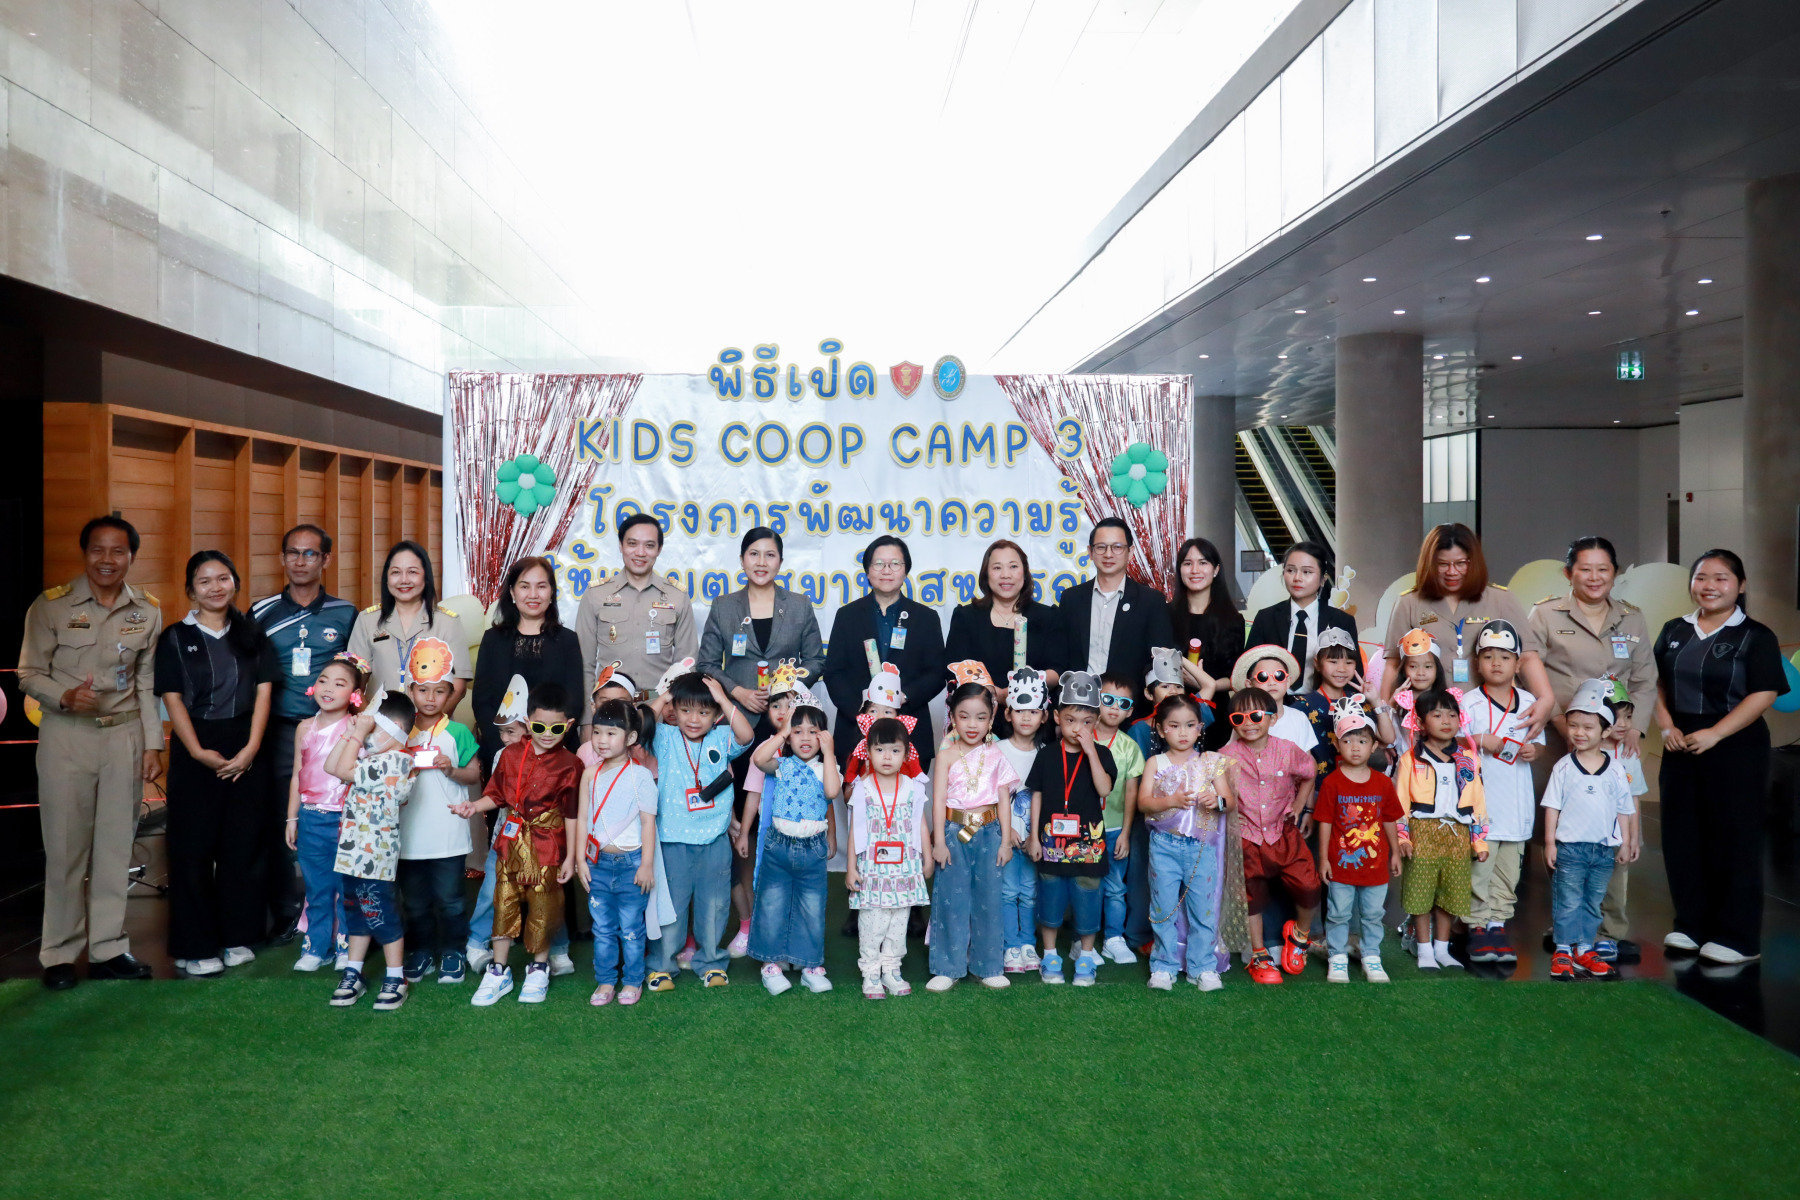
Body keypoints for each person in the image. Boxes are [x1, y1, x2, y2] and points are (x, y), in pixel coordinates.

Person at [17, 516, 163, 989]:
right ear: (85, 553)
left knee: (116, 847)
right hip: (67, 736)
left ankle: (108, 949)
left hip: (123, 736)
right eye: (98, 549)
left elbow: (146, 683)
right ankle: (59, 953)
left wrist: (153, 744)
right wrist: (63, 696)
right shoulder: (51, 606)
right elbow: (28, 673)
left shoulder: (147, 610)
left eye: (118, 551)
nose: (107, 559)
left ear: (131, 557)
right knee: (65, 850)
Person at [1652, 550, 1789, 966]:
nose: (1709, 586)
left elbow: (1764, 692)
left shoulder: (1756, 635)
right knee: (1681, 836)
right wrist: (1666, 727)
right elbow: (1654, 682)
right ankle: (1690, 925)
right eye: (1701, 577)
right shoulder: (1674, 629)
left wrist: (1716, 733)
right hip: (1680, 745)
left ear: (1740, 585)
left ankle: (1738, 937)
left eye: (1721, 578)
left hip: (1735, 747)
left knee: (1734, 839)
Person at [1528, 535, 1658, 964]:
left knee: (1614, 830)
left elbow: (1645, 678)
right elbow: (1531, 672)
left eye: (1603, 569)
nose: (1595, 577)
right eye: (1585, 569)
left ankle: (1609, 930)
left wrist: (1635, 728)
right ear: (1569, 573)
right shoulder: (1545, 614)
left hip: (1617, 743)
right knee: (1566, 834)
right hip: (1562, 739)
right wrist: (1564, 725)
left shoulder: (1632, 618)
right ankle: (1566, 928)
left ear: (1614, 573)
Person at [156, 550, 278, 977]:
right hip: (196, 748)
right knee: (191, 849)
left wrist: (251, 749)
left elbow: (264, 692)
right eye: (204, 581)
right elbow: (172, 698)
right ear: (191, 590)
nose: (215, 587)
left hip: (246, 744)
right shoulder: (175, 637)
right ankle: (195, 945)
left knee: (241, 846)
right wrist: (195, 751)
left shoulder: (253, 634)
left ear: (235, 584)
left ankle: (236, 936)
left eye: (223, 578)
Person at [251, 523, 357, 943]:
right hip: (281, 732)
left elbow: (359, 672)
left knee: (342, 818)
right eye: (293, 553)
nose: (300, 561)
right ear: (282, 558)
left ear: (325, 560)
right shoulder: (260, 612)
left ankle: (347, 914)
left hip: (337, 732)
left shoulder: (345, 613)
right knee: (284, 818)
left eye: (310, 553)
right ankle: (285, 911)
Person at [454, 683, 581, 1006]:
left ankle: (539, 967)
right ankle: (498, 970)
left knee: (544, 905)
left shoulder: (570, 764)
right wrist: (473, 807)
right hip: (510, 843)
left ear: (568, 725)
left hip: (549, 846)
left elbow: (572, 813)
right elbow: (496, 795)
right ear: (528, 721)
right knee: (504, 901)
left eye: (556, 728)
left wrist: (570, 857)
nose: (547, 734)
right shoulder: (510, 755)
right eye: (539, 727)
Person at [1382, 523, 1554, 736]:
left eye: (1461, 563)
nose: (1452, 572)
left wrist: (1546, 698)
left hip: (1488, 717)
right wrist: (1384, 721)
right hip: (1427, 719)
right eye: (1442, 564)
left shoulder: (1501, 599)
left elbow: (1526, 656)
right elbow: (1393, 664)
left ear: (1473, 562)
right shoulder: (1409, 602)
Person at [644, 671, 754, 991]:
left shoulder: (721, 737)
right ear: (674, 710)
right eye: (685, 710)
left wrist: (722, 697)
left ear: (716, 714)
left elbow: (746, 735)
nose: (694, 719)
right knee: (672, 908)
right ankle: (662, 965)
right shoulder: (664, 737)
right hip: (673, 840)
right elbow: (639, 726)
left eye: (704, 712)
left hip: (714, 839)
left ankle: (711, 961)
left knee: (715, 905)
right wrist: (666, 695)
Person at [323, 689, 419, 1010]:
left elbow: (342, 770)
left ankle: (395, 976)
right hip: (353, 857)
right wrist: (351, 733)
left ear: (394, 729)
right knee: (356, 913)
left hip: (374, 859)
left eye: (372, 728)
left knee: (381, 914)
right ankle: (354, 971)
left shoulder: (396, 762)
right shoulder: (373, 759)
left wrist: (357, 734)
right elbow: (330, 766)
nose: (366, 735)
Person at [927, 679, 1023, 992]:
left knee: (989, 901)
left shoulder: (995, 753)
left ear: (992, 718)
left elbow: (1003, 800)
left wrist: (1005, 841)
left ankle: (988, 965)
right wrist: (938, 842)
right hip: (955, 832)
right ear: (952, 716)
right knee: (951, 900)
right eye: (964, 716)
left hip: (989, 832)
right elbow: (938, 800)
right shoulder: (946, 754)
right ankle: (947, 967)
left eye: (981, 717)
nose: (972, 724)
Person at [1218, 688, 1319, 985]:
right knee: (1250, 897)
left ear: (1272, 719)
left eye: (1256, 716)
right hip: (1246, 836)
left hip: (1283, 832)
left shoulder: (1288, 749)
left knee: (1310, 885)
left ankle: (1299, 934)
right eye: (1239, 718)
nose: (1248, 723)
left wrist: (1299, 805)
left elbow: (1310, 771)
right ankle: (1259, 953)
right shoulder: (1225, 756)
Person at [1542, 679, 1639, 982]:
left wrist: (1624, 842)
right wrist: (1550, 843)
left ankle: (1585, 948)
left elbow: (1624, 809)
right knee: (1568, 900)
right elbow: (1552, 807)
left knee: (1593, 902)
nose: (1579, 733)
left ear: (1605, 731)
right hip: (1570, 848)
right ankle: (1563, 949)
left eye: (1588, 727)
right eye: (1573, 726)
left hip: (1602, 850)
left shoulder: (1616, 770)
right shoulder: (1563, 767)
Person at [1136, 693, 1234, 992]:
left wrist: (1216, 800)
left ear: (1200, 728)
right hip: (1164, 845)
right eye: (1174, 725)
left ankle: (1202, 966)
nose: (1183, 732)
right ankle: (1163, 966)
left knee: (1203, 910)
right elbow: (1143, 803)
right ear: (1160, 728)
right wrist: (1171, 801)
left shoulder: (1209, 762)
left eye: (1190, 725)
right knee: (1163, 907)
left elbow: (1229, 801)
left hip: (1201, 848)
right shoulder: (1155, 762)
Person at [1458, 621, 1544, 965]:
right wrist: (1480, 740)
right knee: (1479, 868)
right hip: (1482, 804)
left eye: (1505, 657)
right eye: (1488, 656)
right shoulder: (1468, 702)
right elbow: (1451, 741)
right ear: (1477, 663)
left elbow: (1538, 742)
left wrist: (1533, 751)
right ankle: (1477, 926)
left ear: (1518, 664)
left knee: (1509, 870)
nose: (1496, 663)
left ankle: (1498, 923)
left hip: (1517, 803)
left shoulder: (1530, 702)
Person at [744, 692, 841, 995]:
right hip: (778, 846)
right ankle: (771, 963)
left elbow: (832, 792)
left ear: (824, 736)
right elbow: (758, 759)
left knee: (811, 907)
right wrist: (782, 732)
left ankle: (809, 964)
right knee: (772, 904)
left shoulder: (825, 768)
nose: (805, 738)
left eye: (813, 731)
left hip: (812, 849)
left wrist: (830, 752)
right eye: (798, 732)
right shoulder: (782, 764)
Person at [396, 640, 480, 985]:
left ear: (451, 695)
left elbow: (474, 775)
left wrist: (451, 769)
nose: (430, 698)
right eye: (423, 690)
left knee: (451, 900)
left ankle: (453, 951)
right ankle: (420, 951)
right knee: (414, 902)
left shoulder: (458, 732)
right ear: (411, 691)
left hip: (448, 834)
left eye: (440, 691)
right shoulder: (398, 731)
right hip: (407, 834)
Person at [1024, 671, 1116, 987]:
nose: (1078, 728)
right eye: (1071, 720)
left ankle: (1086, 957)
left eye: (1087, 722)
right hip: (1051, 842)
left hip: (1088, 844)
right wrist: (1033, 837)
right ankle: (1050, 955)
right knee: (1050, 895)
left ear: (1097, 722)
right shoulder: (1047, 754)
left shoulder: (1102, 754)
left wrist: (1091, 752)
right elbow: (1036, 795)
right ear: (1056, 718)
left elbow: (1104, 789)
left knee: (1088, 896)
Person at [823, 535, 946, 768]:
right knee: (857, 792)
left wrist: (904, 696)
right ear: (867, 571)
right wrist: (863, 711)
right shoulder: (847, 616)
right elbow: (834, 673)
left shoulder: (926, 618)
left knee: (907, 793)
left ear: (906, 570)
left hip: (910, 733)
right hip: (854, 733)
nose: (887, 570)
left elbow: (936, 673)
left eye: (895, 564)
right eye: (879, 564)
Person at [575, 512, 698, 734]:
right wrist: (586, 722)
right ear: (621, 545)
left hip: (661, 713)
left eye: (649, 545)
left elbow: (686, 664)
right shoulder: (596, 595)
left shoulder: (676, 596)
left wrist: (679, 713)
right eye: (632, 544)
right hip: (608, 712)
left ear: (659, 549)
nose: (640, 552)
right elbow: (584, 664)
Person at [284, 653, 368, 972]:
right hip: (311, 816)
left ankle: (347, 945)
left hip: (348, 818)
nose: (328, 688)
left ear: (355, 694)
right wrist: (292, 817)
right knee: (317, 886)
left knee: (347, 886)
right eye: (323, 680)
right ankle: (317, 946)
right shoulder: (304, 728)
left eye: (340, 683)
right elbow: (297, 774)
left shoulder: (357, 728)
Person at [1395, 687, 1489, 973]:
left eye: (1452, 714)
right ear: (1421, 722)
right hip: (1422, 831)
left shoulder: (1468, 759)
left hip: (1458, 834)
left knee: (1450, 893)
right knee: (1421, 892)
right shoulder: (1411, 759)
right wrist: (1402, 836)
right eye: (1437, 715)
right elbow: (1400, 801)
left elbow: (1478, 800)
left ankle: (1442, 949)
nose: (1446, 721)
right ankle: (1424, 949)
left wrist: (1480, 841)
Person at [576, 698, 660, 1007]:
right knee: (602, 929)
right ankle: (606, 980)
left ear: (631, 737)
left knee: (632, 929)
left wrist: (646, 864)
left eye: (611, 733)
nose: (601, 740)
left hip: (631, 863)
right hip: (597, 863)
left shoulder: (641, 776)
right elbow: (582, 819)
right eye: (597, 732)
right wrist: (579, 859)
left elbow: (648, 823)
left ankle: (633, 980)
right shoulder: (590, 774)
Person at [1313, 699, 1402, 984]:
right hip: (1341, 866)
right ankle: (1337, 956)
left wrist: (1395, 852)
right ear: (1337, 744)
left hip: (1375, 867)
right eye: (1348, 741)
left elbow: (1389, 819)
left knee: (1373, 914)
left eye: (1362, 741)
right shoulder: (1332, 783)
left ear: (1374, 746)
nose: (1355, 747)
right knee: (1338, 913)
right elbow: (1325, 822)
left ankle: (1371, 956)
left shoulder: (1383, 783)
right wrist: (1324, 859)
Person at [845, 717, 932, 998]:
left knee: (898, 921)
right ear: (868, 752)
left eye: (895, 750)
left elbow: (920, 824)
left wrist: (927, 857)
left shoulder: (913, 787)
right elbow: (854, 830)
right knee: (872, 922)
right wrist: (850, 868)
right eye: (880, 749)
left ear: (906, 754)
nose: (887, 757)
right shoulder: (862, 788)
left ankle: (892, 969)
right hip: (872, 869)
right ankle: (871, 972)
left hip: (904, 868)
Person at [472, 556, 584, 772]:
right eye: (525, 586)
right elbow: (482, 702)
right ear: (512, 592)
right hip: (502, 753)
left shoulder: (567, 640)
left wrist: (546, 747)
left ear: (551, 593)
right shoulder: (492, 640)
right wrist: (505, 749)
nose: (533, 594)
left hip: (555, 757)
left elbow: (574, 703)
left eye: (541, 586)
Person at [944, 539, 1065, 731]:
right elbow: (954, 668)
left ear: (1024, 573)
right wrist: (994, 693)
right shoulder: (966, 617)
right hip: (977, 722)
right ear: (986, 574)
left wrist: (1023, 688)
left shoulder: (1047, 617)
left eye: (1013, 567)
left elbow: (1057, 670)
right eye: (997, 568)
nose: (1006, 575)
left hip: (1032, 721)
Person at [347, 540, 471, 701]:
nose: (404, 580)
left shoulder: (448, 623)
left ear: (426, 576)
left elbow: (458, 687)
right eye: (396, 572)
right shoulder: (367, 620)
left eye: (412, 572)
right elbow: (355, 684)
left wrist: (431, 719)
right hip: (376, 716)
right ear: (386, 578)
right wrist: (367, 716)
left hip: (432, 717)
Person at [1056, 518, 1173, 689]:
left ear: (1130, 552)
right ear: (1090, 552)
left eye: (1117, 547)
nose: (1108, 554)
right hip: (1079, 699)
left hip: (1128, 701)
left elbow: (1159, 663)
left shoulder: (1151, 601)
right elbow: (1060, 656)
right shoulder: (1071, 598)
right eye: (1101, 547)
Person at [1245, 541, 1358, 694]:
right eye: (1291, 570)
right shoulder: (1266, 618)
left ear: (1323, 579)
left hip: (1323, 704)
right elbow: (1250, 667)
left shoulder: (1342, 621)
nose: (1297, 578)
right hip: (1274, 702)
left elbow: (1353, 675)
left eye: (1307, 572)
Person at [996, 667, 1048, 974]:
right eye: (1019, 711)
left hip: (1034, 839)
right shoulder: (997, 750)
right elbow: (991, 796)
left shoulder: (1046, 753)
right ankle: (1010, 945)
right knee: (1007, 891)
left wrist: (1035, 835)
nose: (1026, 717)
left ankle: (1028, 943)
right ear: (1008, 714)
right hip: (1005, 837)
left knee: (1029, 891)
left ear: (1044, 716)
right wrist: (1007, 832)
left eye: (1033, 711)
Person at [1094, 671, 1146, 966]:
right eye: (1108, 699)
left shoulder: (1129, 747)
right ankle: (1081, 940)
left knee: (1115, 887)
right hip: (1081, 829)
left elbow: (1131, 794)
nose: (1114, 707)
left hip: (1114, 828)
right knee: (1084, 885)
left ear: (1129, 711)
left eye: (1122, 703)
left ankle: (1113, 938)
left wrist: (1125, 833)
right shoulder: (1078, 737)